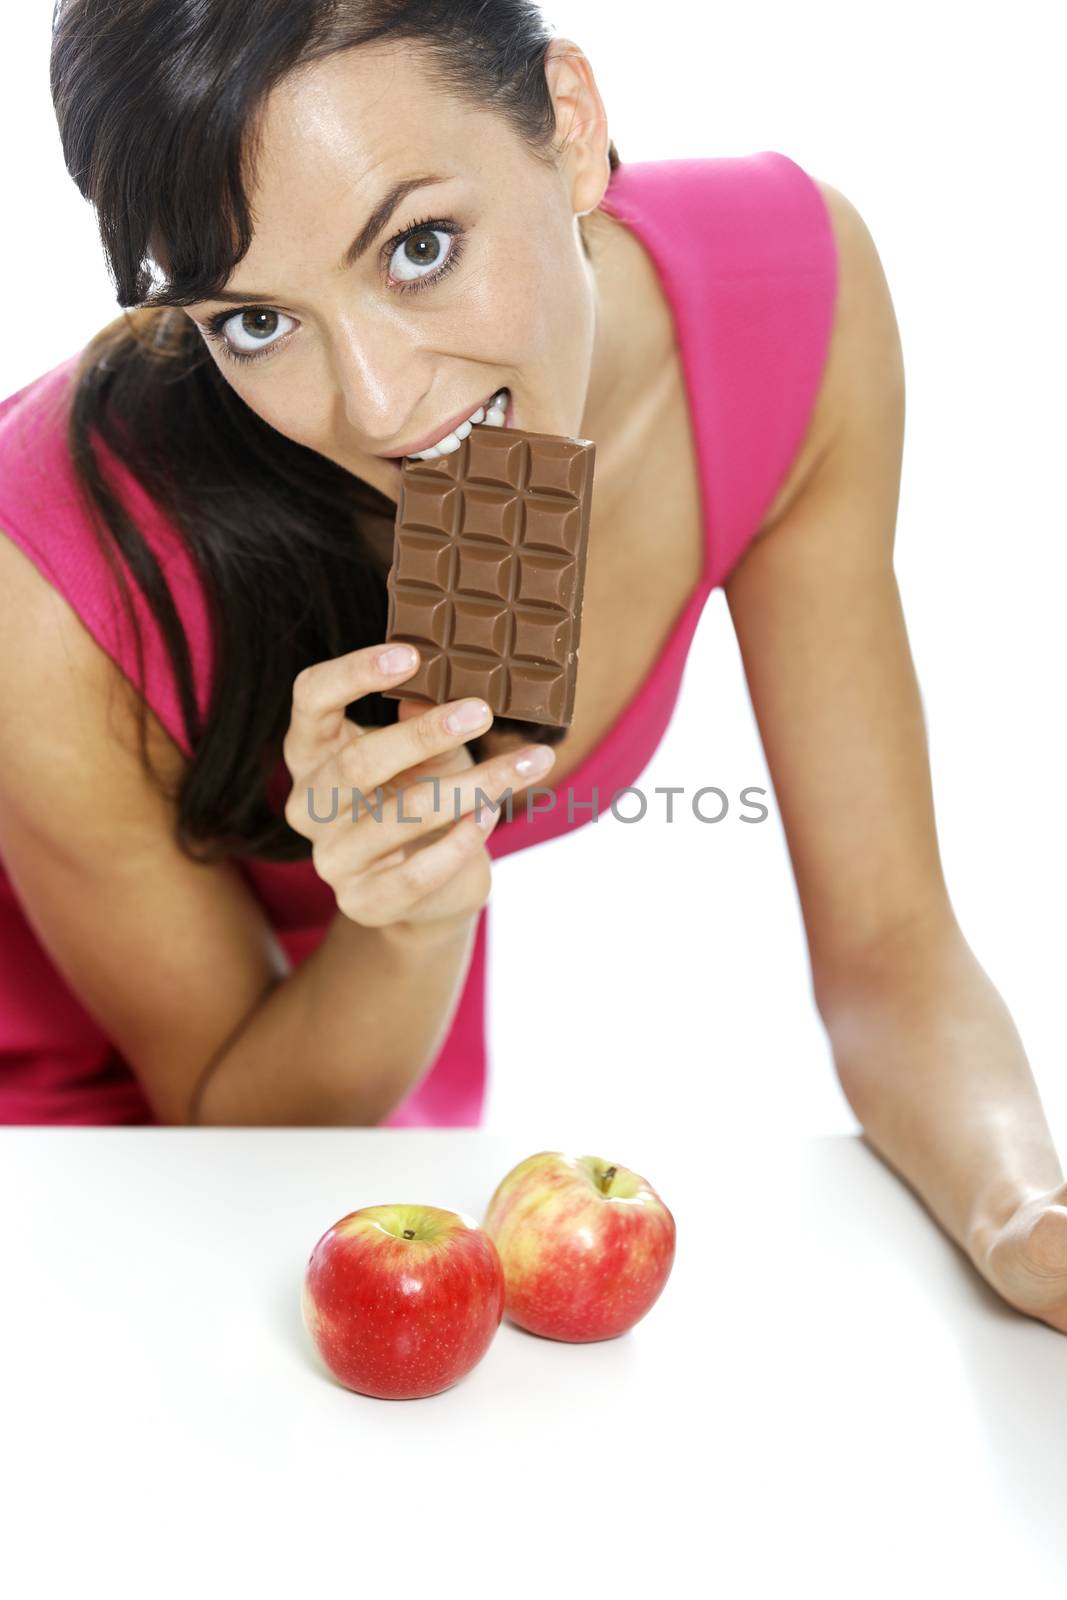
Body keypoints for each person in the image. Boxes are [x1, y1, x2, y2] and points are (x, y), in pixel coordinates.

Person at [1, 0, 1064, 1333]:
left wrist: (1027, 1220)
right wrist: (413, 924)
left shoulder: (790, 304)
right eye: (255, 324)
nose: (381, 407)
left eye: (420, 246)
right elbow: (223, 1123)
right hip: (68, 1194)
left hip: (378, 1185)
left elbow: (895, 948)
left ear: (568, 124)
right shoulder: (47, 578)